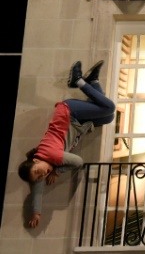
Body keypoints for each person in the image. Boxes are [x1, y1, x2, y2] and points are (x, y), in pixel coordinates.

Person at [18, 60, 115, 228]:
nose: (43, 175)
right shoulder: (45, 165)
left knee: (109, 108)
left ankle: (77, 81)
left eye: (38, 172)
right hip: (79, 122)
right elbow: (37, 191)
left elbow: (78, 162)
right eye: (40, 177)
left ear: (35, 160)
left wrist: (58, 171)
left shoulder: (51, 155)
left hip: (69, 112)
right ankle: (92, 81)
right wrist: (36, 212)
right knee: (109, 117)